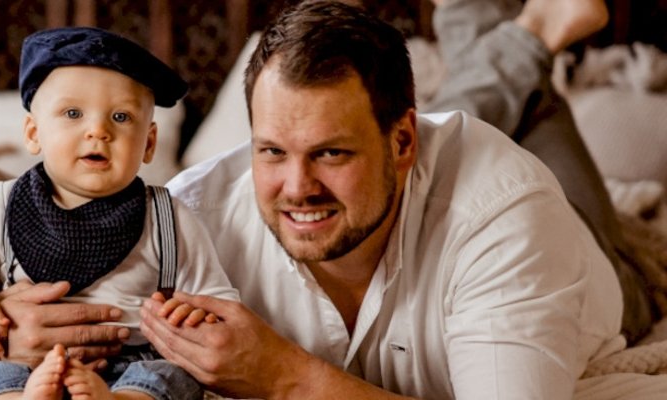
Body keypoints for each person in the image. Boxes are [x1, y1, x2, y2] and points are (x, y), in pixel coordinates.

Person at [136, 0, 639, 398]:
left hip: (603, 257)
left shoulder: (507, 212)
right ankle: (494, 22)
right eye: (271, 151)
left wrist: (283, 377)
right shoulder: (189, 217)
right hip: (418, 157)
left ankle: (522, 31)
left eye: (330, 153)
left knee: (504, 128)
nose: (295, 187)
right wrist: (58, 327)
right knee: (436, 127)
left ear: (404, 144)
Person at [0, 27, 239, 400]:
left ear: (149, 143)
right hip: (26, 366)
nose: (98, 131)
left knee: (171, 377)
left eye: (121, 117)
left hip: (135, 362)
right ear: (33, 133)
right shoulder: (3, 202)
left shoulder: (169, 216)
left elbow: (217, 298)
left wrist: (200, 318)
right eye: (73, 113)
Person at [426, 0, 659, 342]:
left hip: (582, 284)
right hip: (609, 287)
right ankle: (528, 33)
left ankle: (523, 33)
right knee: (530, 102)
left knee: (390, 159)